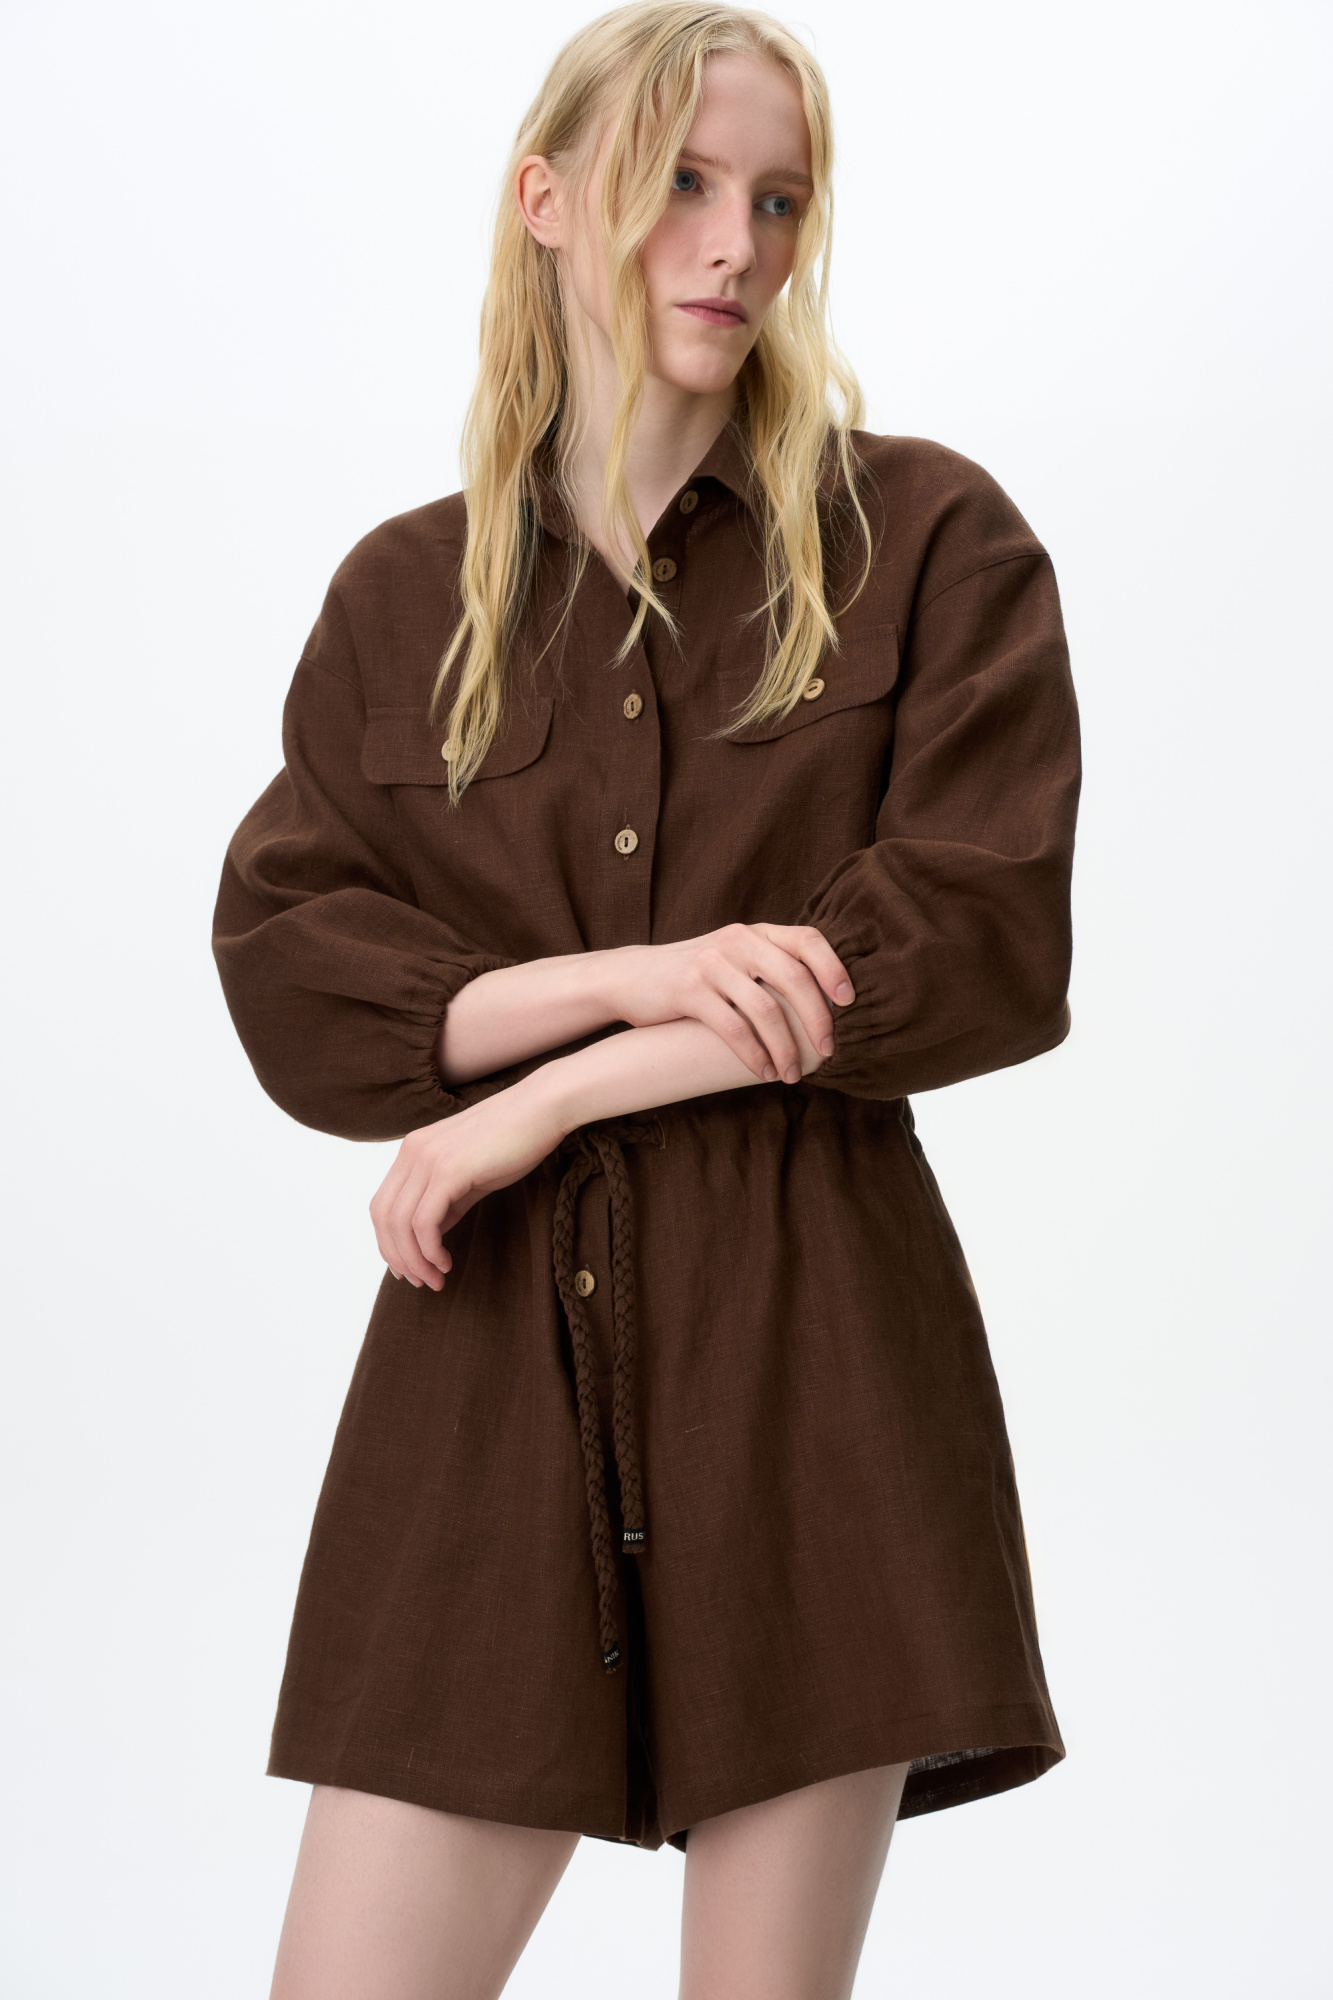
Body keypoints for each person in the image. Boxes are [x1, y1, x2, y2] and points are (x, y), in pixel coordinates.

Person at [211, 3, 1082, 1993]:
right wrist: (637, 977)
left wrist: (540, 1097)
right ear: (545, 199)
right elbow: (291, 970)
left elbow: (970, 941)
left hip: (814, 1361)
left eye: (776, 199)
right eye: (679, 183)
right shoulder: (402, 600)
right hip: (484, 1371)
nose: (732, 243)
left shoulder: (926, 538)